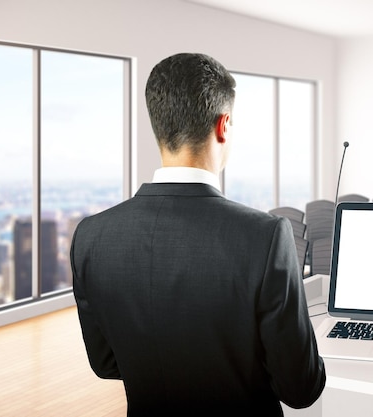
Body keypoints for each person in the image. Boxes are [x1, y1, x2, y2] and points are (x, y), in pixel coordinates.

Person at [70, 53, 326, 416]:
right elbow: (301, 389)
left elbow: (106, 363)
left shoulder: (91, 237)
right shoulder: (266, 237)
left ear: (159, 126)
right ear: (223, 126)